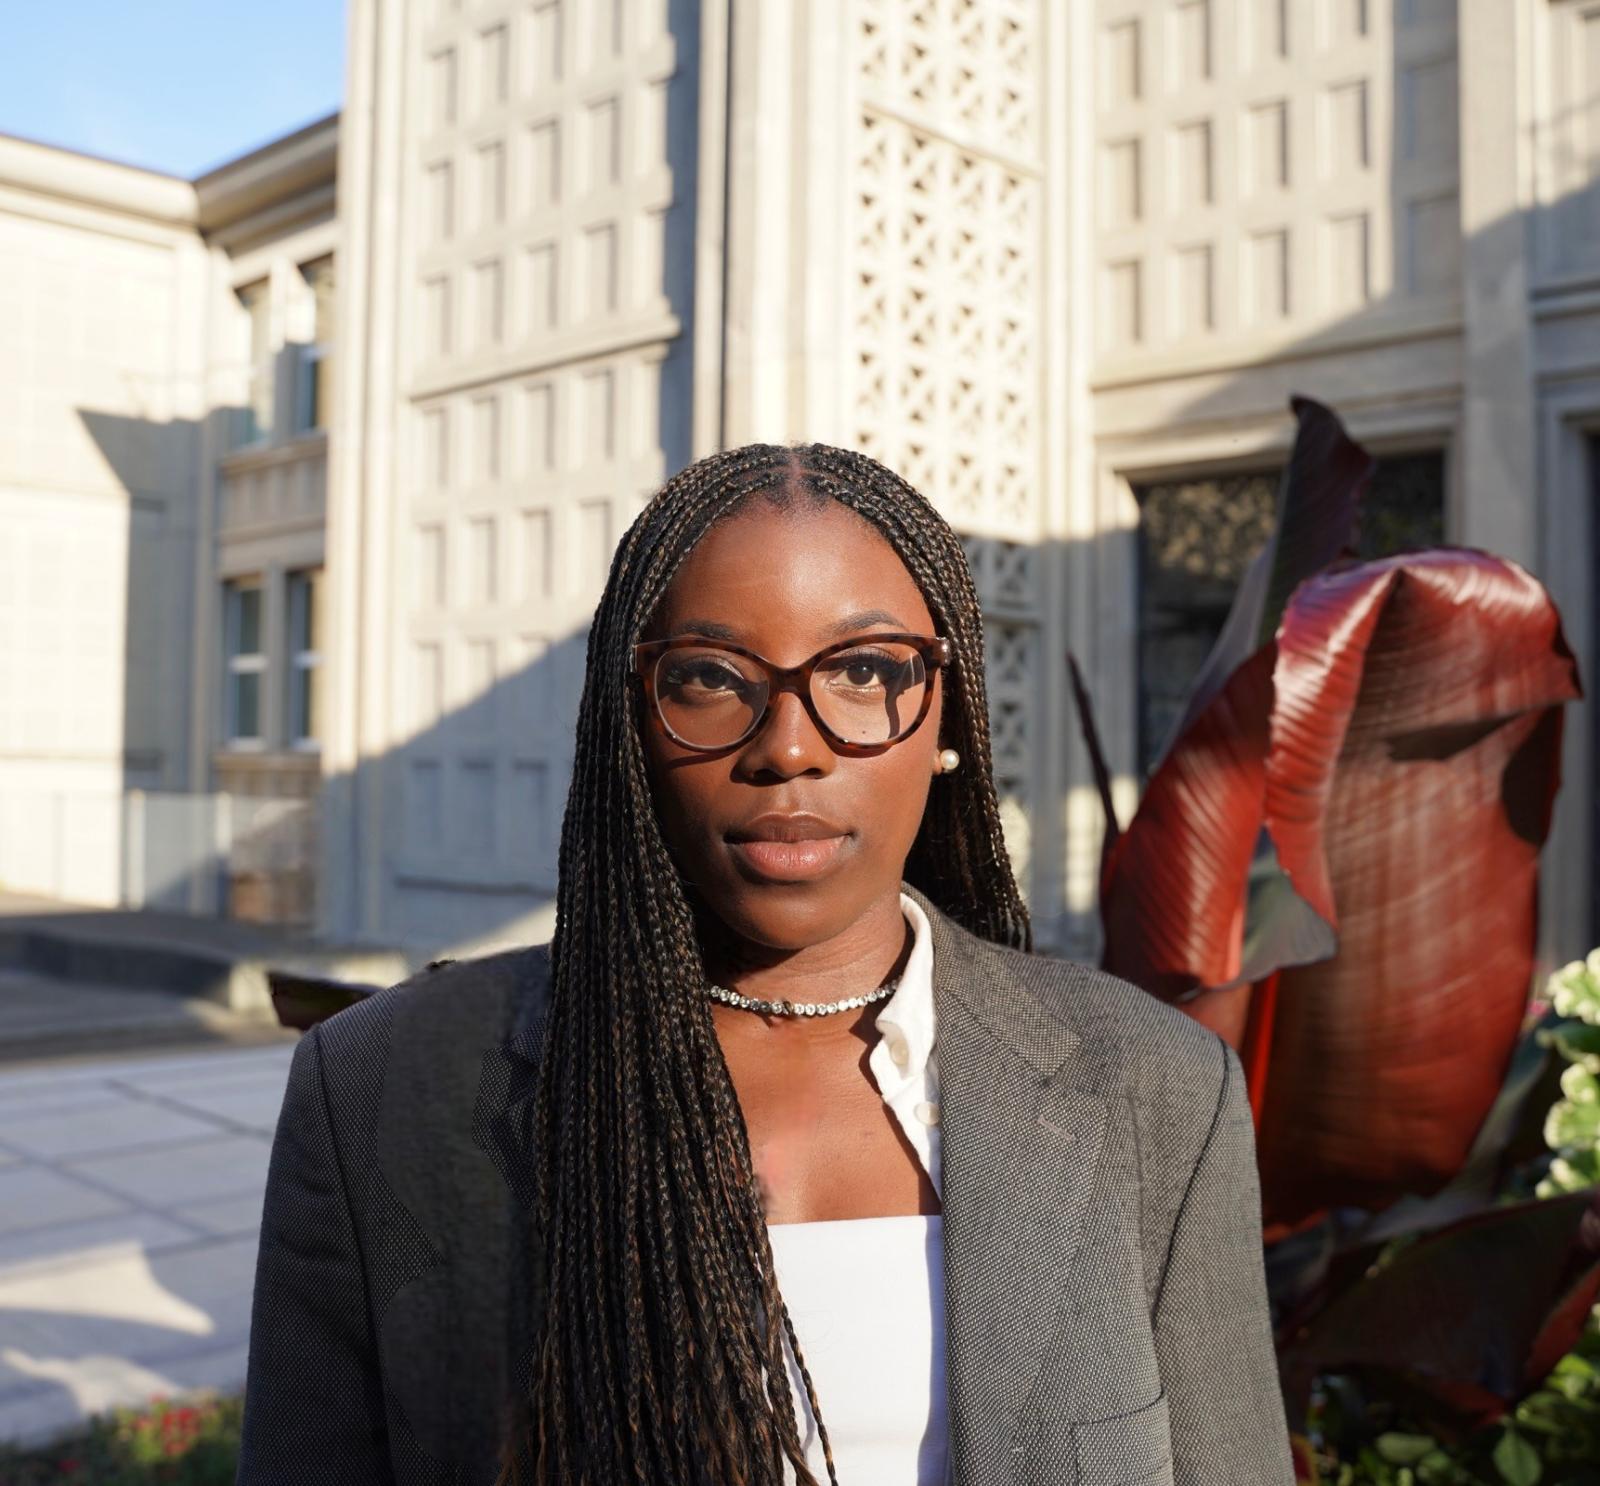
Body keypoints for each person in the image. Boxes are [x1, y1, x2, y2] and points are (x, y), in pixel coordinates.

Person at [235, 443, 1294, 1486]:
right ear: (629, 721)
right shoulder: (379, 1091)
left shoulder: (1151, 1085)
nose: (788, 746)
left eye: (865, 670)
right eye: (709, 675)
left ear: (948, 718)